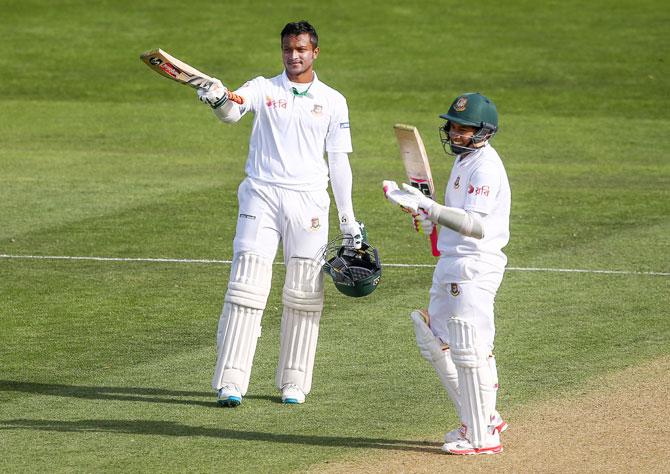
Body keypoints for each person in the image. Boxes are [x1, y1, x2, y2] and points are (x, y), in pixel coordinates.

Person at [197, 20, 363, 407]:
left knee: (304, 293)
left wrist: (348, 219)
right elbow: (233, 112)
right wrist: (218, 98)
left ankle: (294, 382)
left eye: (301, 49)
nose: (294, 56)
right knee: (246, 286)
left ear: (315, 52)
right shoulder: (262, 87)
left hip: (309, 203)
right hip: (261, 195)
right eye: (288, 49)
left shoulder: (333, 101)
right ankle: (231, 382)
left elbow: (339, 164)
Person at [383, 92, 511, 455]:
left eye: (464, 128)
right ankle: (485, 415)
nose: (456, 133)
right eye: (453, 126)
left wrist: (427, 205)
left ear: (484, 131)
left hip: (474, 266)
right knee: (431, 334)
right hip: (452, 262)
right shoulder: (464, 161)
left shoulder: (485, 166)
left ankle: (482, 436)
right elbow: (452, 219)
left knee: (469, 345)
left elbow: (475, 225)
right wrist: (426, 218)